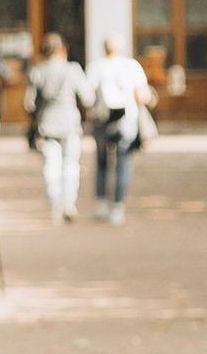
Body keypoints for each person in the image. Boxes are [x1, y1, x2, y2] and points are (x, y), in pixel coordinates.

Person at [88, 37, 156, 224]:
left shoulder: (96, 67)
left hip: (102, 120)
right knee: (123, 164)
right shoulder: (131, 66)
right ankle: (117, 207)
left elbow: (88, 95)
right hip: (126, 120)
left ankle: (101, 204)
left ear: (104, 49)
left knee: (101, 162)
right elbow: (142, 94)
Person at [23, 32, 90, 222]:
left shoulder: (37, 71)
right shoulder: (73, 70)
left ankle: (55, 204)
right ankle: (69, 202)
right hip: (70, 123)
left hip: (47, 125)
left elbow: (28, 103)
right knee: (71, 164)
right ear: (62, 50)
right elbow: (87, 98)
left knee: (51, 166)